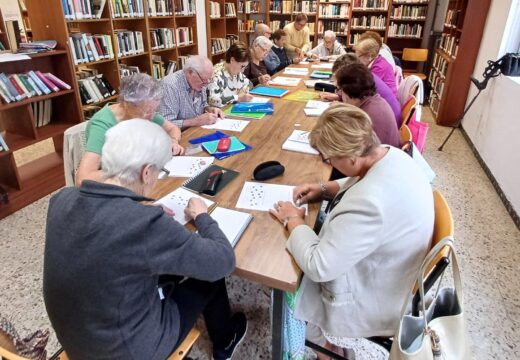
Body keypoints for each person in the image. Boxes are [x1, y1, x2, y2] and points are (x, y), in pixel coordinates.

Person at [44, 120, 248, 360]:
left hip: (76, 339)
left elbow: (104, 239)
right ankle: (225, 341)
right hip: (128, 351)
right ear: (146, 172)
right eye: (159, 171)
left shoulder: (61, 199)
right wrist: (202, 216)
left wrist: (137, 208)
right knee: (209, 278)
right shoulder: (144, 224)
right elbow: (223, 261)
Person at [269, 104, 434, 359]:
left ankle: (327, 349)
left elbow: (319, 265)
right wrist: (324, 188)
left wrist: (293, 220)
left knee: (283, 277)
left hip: (376, 293)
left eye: (330, 158)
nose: (329, 163)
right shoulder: (391, 154)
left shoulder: (369, 203)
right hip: (396, 265)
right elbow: (363, 178)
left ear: (352, 156)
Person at [76, 73, 183, 185]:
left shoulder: (144, 112)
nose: (152, 116)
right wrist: (132, 168)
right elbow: (82, 178)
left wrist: (173, 141)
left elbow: (172, 128)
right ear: (127, 104)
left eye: (154, 110)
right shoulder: (102, 125)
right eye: (147, 111)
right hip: (116, 184)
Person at [320, 53, 403, 127]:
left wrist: (340, 108)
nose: (340, 90)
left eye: (341, 87)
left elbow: (355, 117)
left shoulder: (367, 90)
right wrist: (339, 97)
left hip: (389, 126)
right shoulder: (366, 80)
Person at [335, 63, 400, 148]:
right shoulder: (374, 100)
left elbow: (348, 146)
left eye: (340, 90)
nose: (340, 94)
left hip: (377, 159)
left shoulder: (367, 115)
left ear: (348, 91)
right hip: (383, 154)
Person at [159, 55, 224, 130]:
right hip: (177, 136)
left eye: (209, 79)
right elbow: (165, 124)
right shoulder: (170, 86)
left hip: (196, 130)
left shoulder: (200, 83)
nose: (206, 84)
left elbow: (203, 104)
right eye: (204, 80)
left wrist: (210, 109)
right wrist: (196, 121)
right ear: (190, 72)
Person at [207, 42, 253, 107]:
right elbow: (213, 101)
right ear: (232, 60)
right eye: (242, 66)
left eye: (245, 67)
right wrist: (237, 97)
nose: (243, 71)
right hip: (220, 113)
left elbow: (250, 83)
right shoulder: (216, 75)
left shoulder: (236, 72)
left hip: (233, 109)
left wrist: (243, 90)